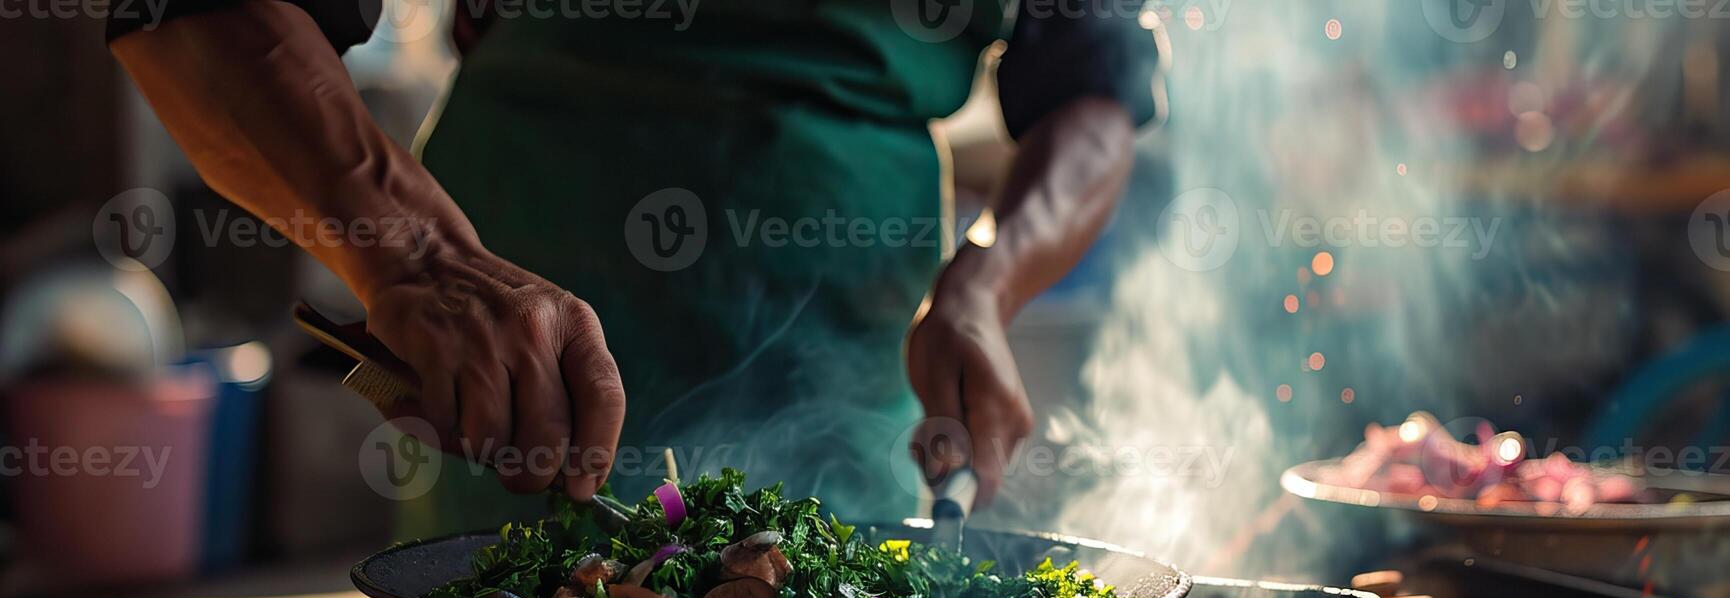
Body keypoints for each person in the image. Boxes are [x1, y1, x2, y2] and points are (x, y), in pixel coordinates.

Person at [108, 1, 1163, 531]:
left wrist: (985, 283)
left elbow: (1091, 86)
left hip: (849, 344)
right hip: (515, 318)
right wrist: (421, 260)